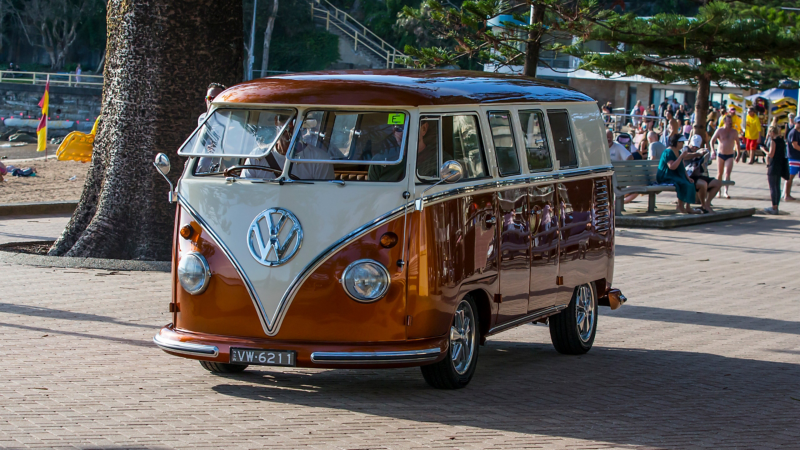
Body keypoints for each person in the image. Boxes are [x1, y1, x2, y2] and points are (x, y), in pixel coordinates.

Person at [242, 116, 334, 180]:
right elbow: (245, 193)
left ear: (302, 123)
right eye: (283, 119)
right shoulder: (256, 157)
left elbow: (323, 197)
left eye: (295, 119)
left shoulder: (318, 159)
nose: (289, 125)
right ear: (276, 121)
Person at [657, 134, 700, 214]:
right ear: (676, 142)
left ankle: (688, 207)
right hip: (666, 176)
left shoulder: (679, 152)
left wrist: (687, 177)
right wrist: (680, 157)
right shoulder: (668, 152)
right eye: (681, 142)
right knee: (683, 183)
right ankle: (680, 206)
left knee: (690, 183)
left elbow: (682, 167)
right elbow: (672, 166)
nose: (682, 144)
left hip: (675, 175)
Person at [684, 134, 721, 213]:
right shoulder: (686, 149)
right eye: (693, 146)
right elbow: (684, 156)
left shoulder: (700, 150)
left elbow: (709, 162)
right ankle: (704, 206)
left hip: (700, 175)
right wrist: (697, 154)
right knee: (703, 184)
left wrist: (706, 154)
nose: (694, 148)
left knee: (717, 183)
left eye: (696, 146)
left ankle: (707, 204)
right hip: (689, 176)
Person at [710, 115, 738, 198]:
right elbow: (712, 140)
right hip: (720, 154)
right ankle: (718, 191)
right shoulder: (719, 130)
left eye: (731, 121)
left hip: (730, 155)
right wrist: (712, 150)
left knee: (727, 173)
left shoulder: (734, 132)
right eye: (729, 121)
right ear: (725, 121)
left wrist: (738, 153)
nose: (730, 123)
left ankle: (726, 191)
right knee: (719, 173)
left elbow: (737, 143)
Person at [764, 125, 789, 214]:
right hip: (780, 165)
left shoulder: (773, 142)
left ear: (772, 133)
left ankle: (774, 207)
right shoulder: (782, 141)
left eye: (769, 133)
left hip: (773, 165)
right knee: (777, 186)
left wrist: (764, 150)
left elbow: (771, 154)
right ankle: (776, 206)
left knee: (772, 187)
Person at [785, 116, 800, 201]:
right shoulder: (793, 132)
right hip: (793, 158)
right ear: (795, 123)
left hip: (797, 158)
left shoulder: (798, 132)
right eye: (798, 123)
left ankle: (788, 194)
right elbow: (795, 145)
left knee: (792, 177)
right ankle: (787, 195)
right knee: (790, 177)